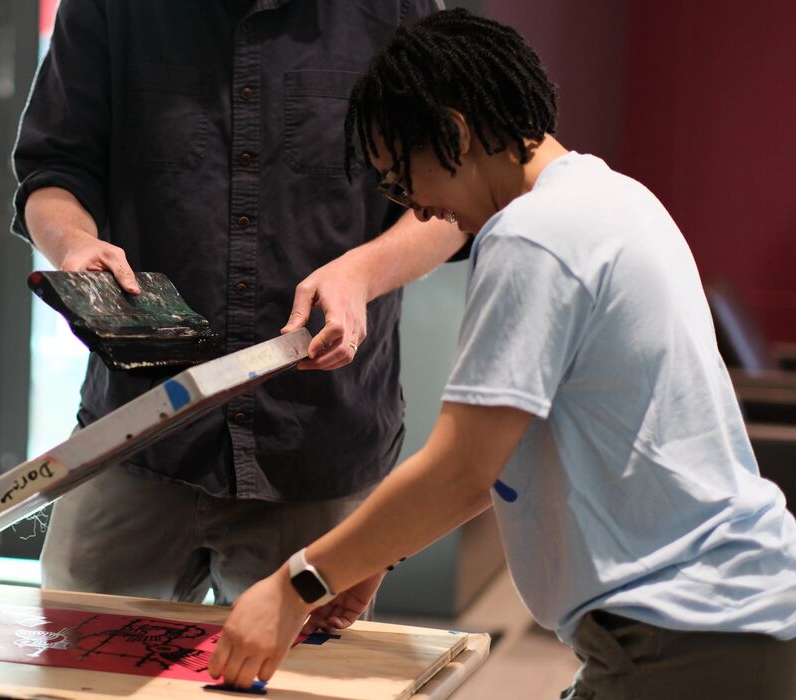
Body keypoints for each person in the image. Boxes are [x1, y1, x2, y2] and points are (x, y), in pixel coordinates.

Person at [210, 9, 796, 697]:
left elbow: (461, 468)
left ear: (454, 133)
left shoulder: (531, 237)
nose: (420, 211)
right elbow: (509, 457)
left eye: (401, 182)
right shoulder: (613, 197)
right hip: (729, 613)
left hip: (684, 631)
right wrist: (381, 551)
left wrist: (295, 585)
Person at [11, 0, 467, 605]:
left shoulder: (397, 10)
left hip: (318, 443)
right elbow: (53, 170)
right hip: (137, 434)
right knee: (77, 675)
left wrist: (363, 272)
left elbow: (457, 198)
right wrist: (74, 244)